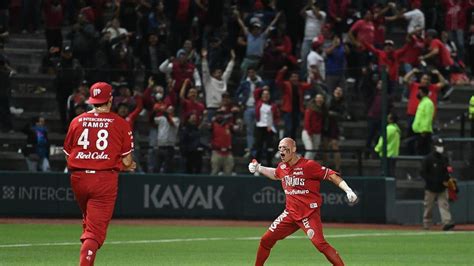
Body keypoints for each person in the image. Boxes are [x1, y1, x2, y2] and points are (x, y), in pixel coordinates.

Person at [248, 137, 357, 266]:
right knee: (266, 240)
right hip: (290, 213)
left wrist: (348, 190)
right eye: (279, 148)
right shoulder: (282, 166)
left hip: (309, 213)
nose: (281, 151)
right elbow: (275, 174)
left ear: (294, 149)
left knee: (320, 244)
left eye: (284, 148)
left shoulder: (308, 165)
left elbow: (331, 175)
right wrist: (259, 168)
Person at [63, 82, 135, 266]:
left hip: (78, 178)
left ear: (92, 100)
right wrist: (128, 165)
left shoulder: (77, 121)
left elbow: (68, 154)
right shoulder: (120, 123)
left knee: (88, 223)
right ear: (110, 99)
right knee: (94, 232)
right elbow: (127, 161)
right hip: (103, 179)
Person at [421, 138, 455, 231]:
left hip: (442, 187)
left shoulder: (444, 159)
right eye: (439, 146)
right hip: (430, 187)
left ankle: (447, 222)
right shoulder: (428, 159)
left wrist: (447, 180)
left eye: (442, 146)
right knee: (428, 207)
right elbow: (423, 172)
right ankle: (427, 224)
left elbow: (448, 171)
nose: (441, 148)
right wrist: (430, 181)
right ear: (434, 147)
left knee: (444, 205)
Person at [374, 112, 401, 176]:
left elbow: (383, 140)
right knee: (391, 172)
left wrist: (376, 149)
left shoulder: (389, 129)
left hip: (387, 154)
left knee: (385, 173)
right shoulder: (397, 129)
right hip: (394, 153)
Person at [412, 86, 434, 155]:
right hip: (419, 130)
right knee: (419, 150)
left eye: (420, 92)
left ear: (424, 93)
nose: (418, 94)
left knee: (424, 151)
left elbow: (428, 117)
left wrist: (424, 130)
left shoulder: (428, 103)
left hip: (424, 132)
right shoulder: (422, 102)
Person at [302, 94, 325, 160]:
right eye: (318, 98)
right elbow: (307, 122)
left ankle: (309, 168)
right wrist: (310, 133)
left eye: (321, 98)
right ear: (315, 99)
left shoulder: (323, 110)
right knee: (310, 149)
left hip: (317, 133)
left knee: (314, 152)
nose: (319, 100)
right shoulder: (310, 109)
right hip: (308, 132)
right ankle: (304, 167)